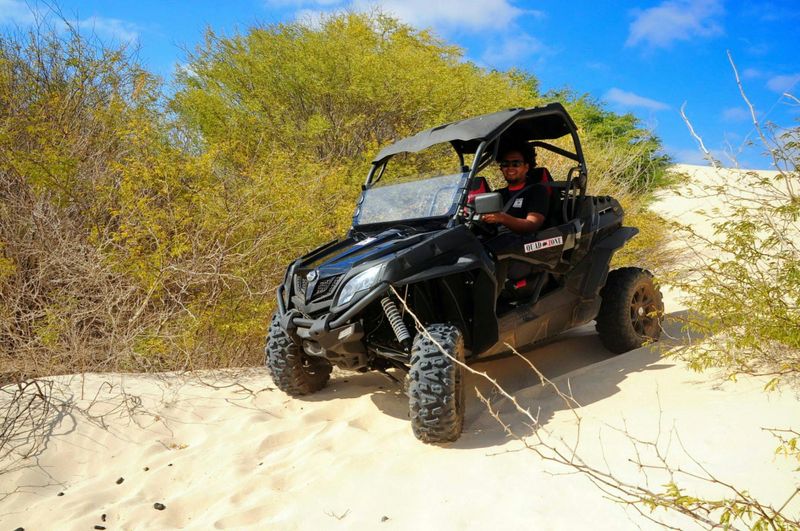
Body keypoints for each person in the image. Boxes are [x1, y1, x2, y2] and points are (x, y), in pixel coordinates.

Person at [481, 144, 549, 234]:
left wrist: (502, 218)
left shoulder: (537, 191)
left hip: (524, 243)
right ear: (501, 168)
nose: (510, 168)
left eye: (516, 164)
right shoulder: (497, 195)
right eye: (505, 164)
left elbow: (531, 225)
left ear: (526, 167)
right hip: (495, 242)